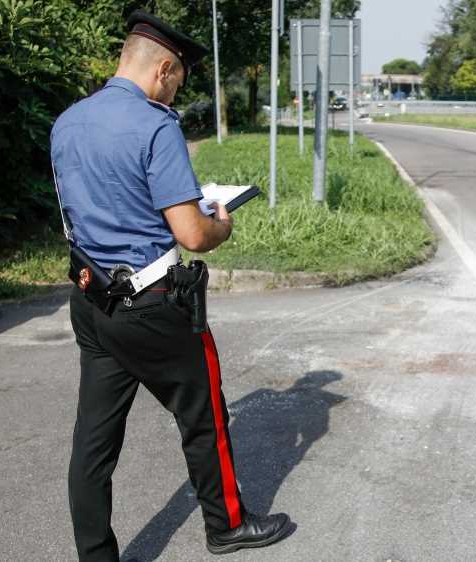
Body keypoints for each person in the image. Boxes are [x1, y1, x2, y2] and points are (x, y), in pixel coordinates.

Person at [50, 11, 294, 561]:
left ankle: (95, 554)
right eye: (177, 80)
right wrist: (220, 221)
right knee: (203, 414)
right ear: (163, 68)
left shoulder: (67, 122)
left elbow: (96, 208)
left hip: (91, 301)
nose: (173, 92)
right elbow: (192, 233)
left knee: (93, 442)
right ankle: (227, 525)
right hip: (154, 306)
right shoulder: (155, 126)